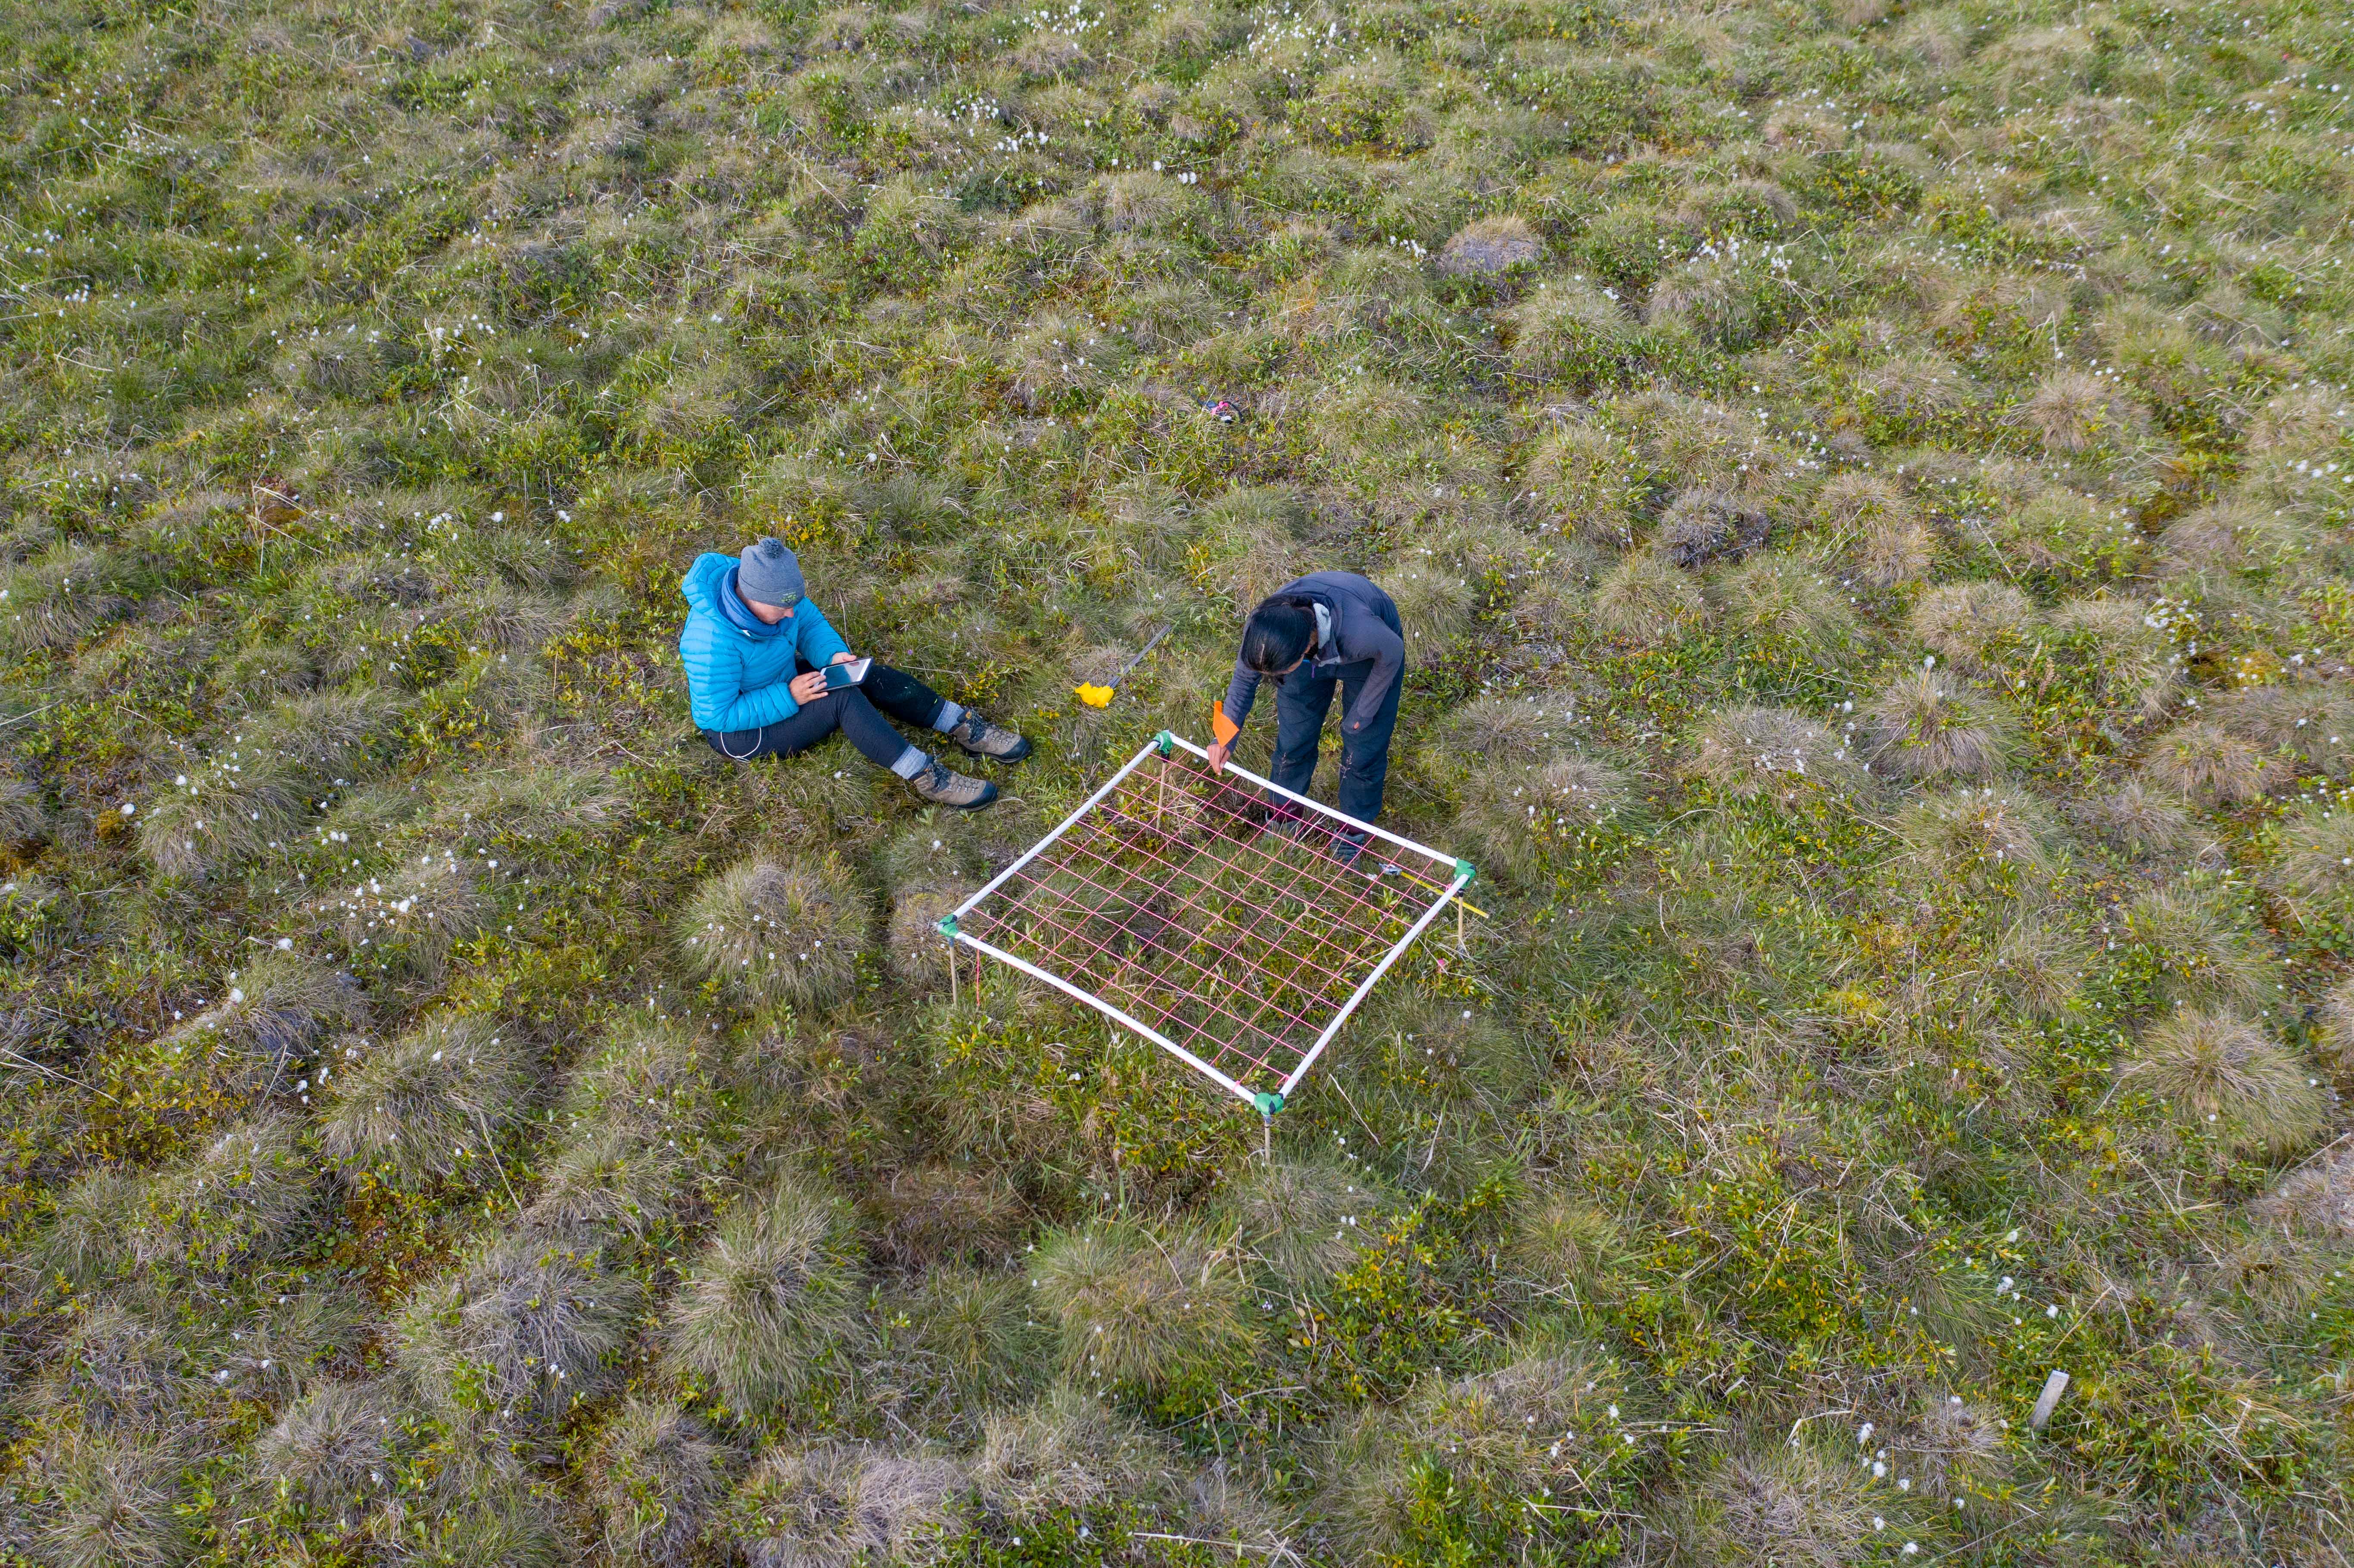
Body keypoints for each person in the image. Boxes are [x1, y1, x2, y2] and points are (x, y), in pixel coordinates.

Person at [679, 537, 1028, 809]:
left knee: (858, 674)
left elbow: (810, 624)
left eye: (792, 605)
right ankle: (927, 777)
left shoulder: (779, 593)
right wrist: (789, 697)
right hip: (742, 733)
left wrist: (834, 655)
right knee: (842, 698)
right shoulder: (710, 641)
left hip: (780, 679)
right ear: (751, 598)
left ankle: (961, 724)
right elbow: (715, 715)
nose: (790, 615)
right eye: (781, 609)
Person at [1205, 570, 1405, 862]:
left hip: (1372, 659)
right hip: (1306, 653)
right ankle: (1283, 819)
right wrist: (1225, 738)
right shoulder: (1264, 630)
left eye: (1276, 674)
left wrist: (1360, 716)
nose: (1269, 679)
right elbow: (1244, 683)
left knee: (1362, 751)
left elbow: (1391, 653)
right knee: (1293, 741)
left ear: (1303, 650)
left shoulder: (1362, 634)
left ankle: (1351, 835)